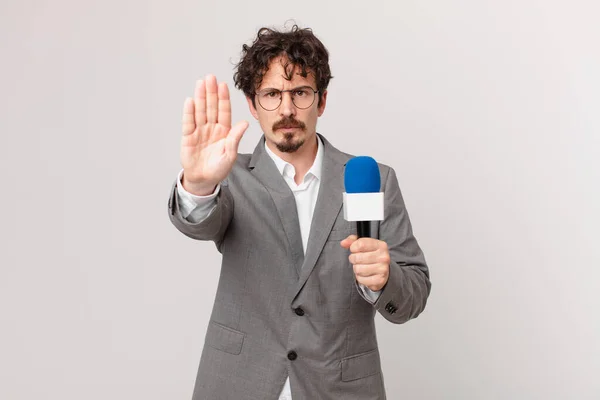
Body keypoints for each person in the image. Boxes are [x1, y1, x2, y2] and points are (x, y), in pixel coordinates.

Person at [168, 24, 431, 400]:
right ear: (253, 104)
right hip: (240, 383)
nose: (287, 109)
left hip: (342, 388)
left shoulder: (372, 180)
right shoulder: (230, 175)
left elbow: (414, 294)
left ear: (321, 100)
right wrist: (197, 184)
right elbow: (199, 220)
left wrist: (383, 280)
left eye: (300, 93)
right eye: (272, 94)